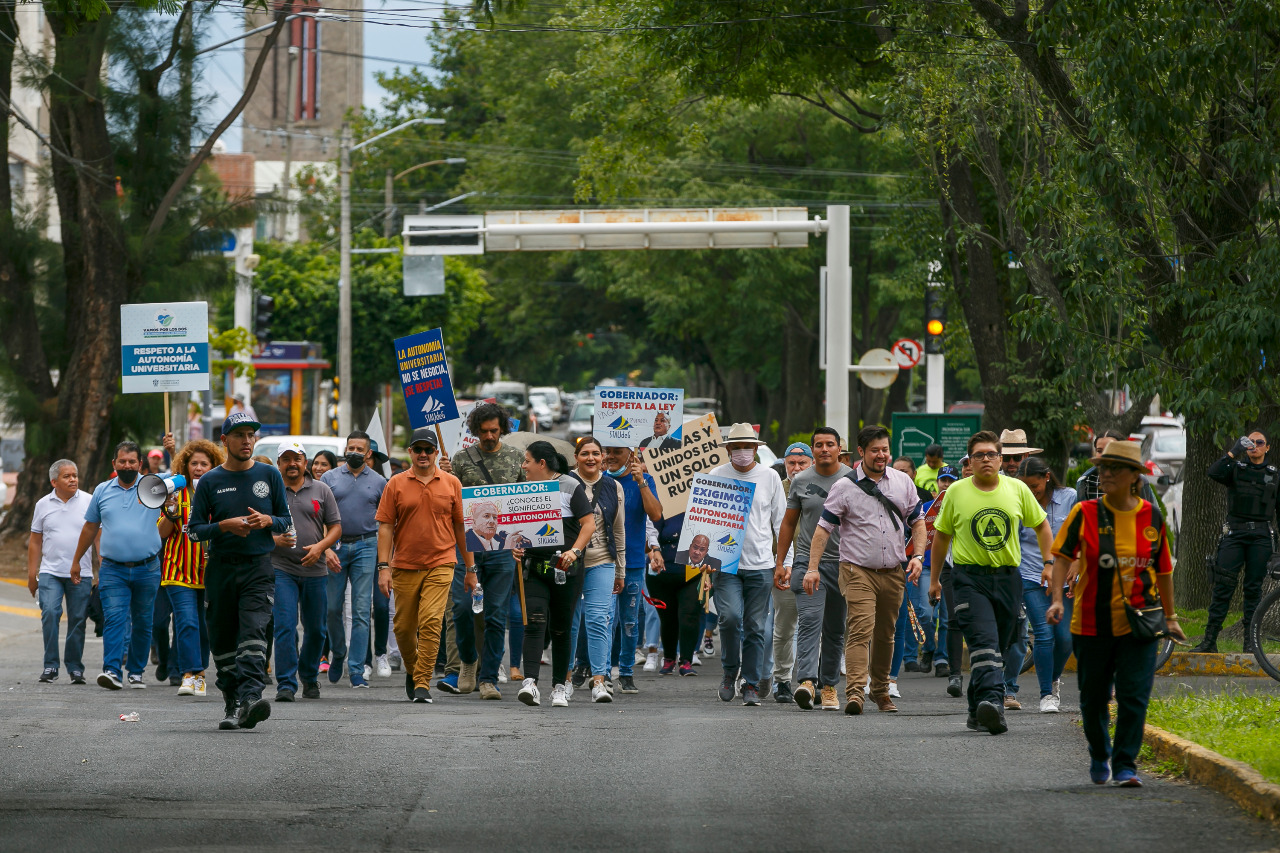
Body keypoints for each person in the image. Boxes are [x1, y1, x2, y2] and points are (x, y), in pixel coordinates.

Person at [1047, 439, 1185, 786]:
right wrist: (1058, 600)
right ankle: (1098, 752)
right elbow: (1062, 556)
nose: (1104, 474)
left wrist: (1171, 618)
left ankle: (1125, 764)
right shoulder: (1085, 513)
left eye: (1113, 469)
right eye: (1102, 468)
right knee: (1093, 699)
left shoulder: (1151, 516)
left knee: (1133, 697)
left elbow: (1163, 571)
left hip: (1139, 624)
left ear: (1134, 477)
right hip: (1091, 623)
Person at [929, 430, 1053, 735]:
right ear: (970, 461)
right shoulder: (956, 492)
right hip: (969, 579)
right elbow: (942, 537)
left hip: (1008, 578)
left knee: (1002, 644)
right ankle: (993, 704)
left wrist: (1049, 564)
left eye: (991, 454)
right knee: (984, 642)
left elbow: (1042, 526)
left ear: (1000, 459)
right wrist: (934, 580)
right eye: (979, 454)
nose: (986, 459)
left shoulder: (1017, 490)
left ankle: (975, 710)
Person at [187, 411, 292, 730]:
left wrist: (268, 521)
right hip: (220, 570)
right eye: (240, 435)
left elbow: (286, 520)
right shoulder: (210, 480)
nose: (247, 441)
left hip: (258, 569)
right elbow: (193, 531)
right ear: (225, 440)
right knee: (222, 640)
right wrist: (223, 526)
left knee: (253, 632)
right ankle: (232, 703)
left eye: (251, 435)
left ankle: (250, 698)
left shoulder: (269, 475)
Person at [808, 425, 925, 715]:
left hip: (894, 572)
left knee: (886, 634)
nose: (882, 455)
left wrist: (918, 556)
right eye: (875, 450)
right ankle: (855, 693)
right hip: (857, 570)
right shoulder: (844, 487)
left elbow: (918, 522)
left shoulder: (902, 482)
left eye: (885, 449)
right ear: (861, 452)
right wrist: (812, 568)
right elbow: (823, 529)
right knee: (860, 629)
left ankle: (881, 691)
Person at [376, 428, 471, 704]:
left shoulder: (452, 483)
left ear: (436, 453)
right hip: (404, 565)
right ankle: (414, 667)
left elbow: (461, 528)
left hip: (441, 563)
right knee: (404, 628)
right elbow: (385, 527)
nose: (423, 454)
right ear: (410, 453)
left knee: (430, 623)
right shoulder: (395, 483)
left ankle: (421, 683)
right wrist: (383, 566)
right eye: (418, 449)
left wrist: (471, 568)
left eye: (428, 450)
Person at [441, 401, 525, 699]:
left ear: (502, 428)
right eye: (483, 431)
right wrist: (445, 477)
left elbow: (524, 503)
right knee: (462, 608)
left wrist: (522, 541)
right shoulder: (462, 459)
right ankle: (467, 662)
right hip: (467, 548)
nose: (489, 436)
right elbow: (450, 503)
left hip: (503, 549)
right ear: (475, 431)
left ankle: (489, 678)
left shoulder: (516, 458)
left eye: (494, 431)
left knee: (495, 615)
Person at [72, 441, 164, 690]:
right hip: (113, 569)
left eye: (132, 461)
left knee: (144, 622)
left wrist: (173, 449)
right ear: (114, 464)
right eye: (122, 461)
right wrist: (76, 561)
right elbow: (90, 527)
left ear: (140, 463)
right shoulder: (102, 491)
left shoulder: (153, 486)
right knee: (114, 619)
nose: (127, 465)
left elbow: (180, 475)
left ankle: (136, 672)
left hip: (148, 568)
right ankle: (112, 671)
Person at [514, 441, 596, 708]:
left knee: (561, 629)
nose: (523, 466)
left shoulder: (571, 486)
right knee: (535, 623)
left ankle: (559, 687)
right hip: (533, 569)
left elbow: (588, 524)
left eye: (527, 460)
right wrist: (515, 548)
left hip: (565, 571)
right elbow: (515, 529)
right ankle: (530, 683)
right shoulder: (522, 489)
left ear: (542, 463)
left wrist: (574, 551)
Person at [709, 423, 786, 707]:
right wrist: (702, 559)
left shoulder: (769, 478)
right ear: (728, 449)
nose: (742, 452)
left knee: (755, 626)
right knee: (729, 618)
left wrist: (783, 562)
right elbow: (704, 521)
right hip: (726, 564)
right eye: (736, 447)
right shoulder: (716, 476)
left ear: (756, 449)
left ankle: (751, 683)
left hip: (762, 565)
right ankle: (730, 673)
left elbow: (781, 522)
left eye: (748, 447)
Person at [776, 428, 849, 712]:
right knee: (809, 621)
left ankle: (829, 687)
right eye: (818, 445)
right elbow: (788, 523)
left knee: (835, 629)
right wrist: (782, 562)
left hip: (844, 564)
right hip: (808, 564)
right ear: (813, 449)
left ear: (838, 448)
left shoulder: (852, 479)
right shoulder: (801, 480)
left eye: (829, 444)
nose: (824, 449)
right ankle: (806, 681)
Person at [1002, 456, 1078, 713]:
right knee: (1044, 635)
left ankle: (1054, 680)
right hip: (1031, 575)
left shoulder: (1070, 497)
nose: (1030, 492)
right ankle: (1046, 694)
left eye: (1034, 486)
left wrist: (1077, 562)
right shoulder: (1015, 500)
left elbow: (1081, 533)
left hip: (1066, 577)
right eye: (1024, 486)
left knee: (1065, 638)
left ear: (1047, 477)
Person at [1193, 430, 1278, 653]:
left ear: (1267, 448)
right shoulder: (1236, 470)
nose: (1255, 446)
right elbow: (1213, 472)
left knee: (1253, 590)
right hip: (1235, 535)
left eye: (1260, 442)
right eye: (1251, 442)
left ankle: (1250, 644)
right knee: (1223, 587)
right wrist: (1234, 451)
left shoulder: (1274, 475)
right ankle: (1209, 641)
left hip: (1260, 537)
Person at [272, 441, 341, 702]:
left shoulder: (322, 490)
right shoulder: (271, 491)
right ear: (279, 463)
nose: (292, 464)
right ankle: (286, 684)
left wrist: (322, 547)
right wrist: (274, 540)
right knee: (285, 626)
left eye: (297, 459)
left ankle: (309, 678)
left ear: (305, 463)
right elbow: (259, 524)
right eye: (286, 459)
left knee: (316, 629)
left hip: (315, 569)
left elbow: (335, 527)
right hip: (281, 568)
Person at [320, 430, 387, 688]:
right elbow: (321, 517)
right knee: (332, 609)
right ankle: (338, 653)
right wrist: (325, 548)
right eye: (351, 448)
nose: (355, 453)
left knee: (361, 610)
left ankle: (357, 668)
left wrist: (384, 560)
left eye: (361, 449)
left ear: (369, 453)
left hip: (366, 546)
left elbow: (386, 523)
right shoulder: (329, 478)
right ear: (345, 449)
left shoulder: (380, 482)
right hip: (335, 546)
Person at [157, 437, 223, 698]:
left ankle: (201, 674)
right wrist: (171, 514)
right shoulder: (175, 493)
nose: (198, 468)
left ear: (213, 465)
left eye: (204, 463)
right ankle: (189, 674)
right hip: (178, 570)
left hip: (210, 573)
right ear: (185, 466)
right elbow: (162, 532)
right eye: (193, 463)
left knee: (205, 626)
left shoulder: (219, 493)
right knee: (186, 622)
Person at [566, 437, 626, 702]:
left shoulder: (614, 486)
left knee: (598, 619)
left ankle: (599, 680)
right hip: (569, 562)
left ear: (603, 457)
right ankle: (564, 679)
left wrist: (620, 570)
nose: (591, 458)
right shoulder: (563, 483)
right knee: (569, 622)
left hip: (602, 561)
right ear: (576, 457)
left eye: (595, 453)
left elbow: (618, 530)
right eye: (585, 454)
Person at [29, 460, 95, 684]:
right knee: (49, 612)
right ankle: (51, 666)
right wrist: (31, 574)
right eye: (67, 476)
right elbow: (35, 540)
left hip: (82, 573)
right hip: (50, 571)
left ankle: (75, 668)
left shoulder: (89, 501)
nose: (73, 479)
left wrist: (102, 568)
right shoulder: (42, 505)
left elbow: (98, 536)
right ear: (54, 481)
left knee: (77, 619)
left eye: (75, 475)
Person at [603, 445, 661, 694]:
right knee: (605, 620)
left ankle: (626, 673)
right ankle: (602, 672)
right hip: (603, 560)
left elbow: (656, 514)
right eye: (607, 450)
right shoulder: (600, 480)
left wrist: (640, 482)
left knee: (629, 622)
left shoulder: (644, 479)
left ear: (631, 455)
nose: (610, 456)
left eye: (617, 451)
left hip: (634, 562)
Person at [921, 466, 962, 696]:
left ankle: (942, 660)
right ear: (936, 482)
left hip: (951, 567)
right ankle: (928, 647)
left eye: (950, 480)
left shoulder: (958, 503)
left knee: (948, 618)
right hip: (927, 566)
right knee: (926, 614)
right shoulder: (926, 508)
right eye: (942, 480)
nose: (946, 484)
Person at [1075, 430, 1158, 503]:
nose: (1105, 455)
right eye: (1099, 451)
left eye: (1110, 449)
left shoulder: (1141, 482)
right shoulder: (1085, 482)